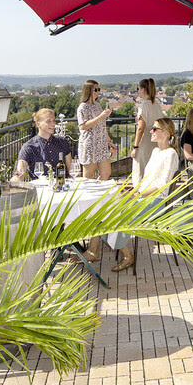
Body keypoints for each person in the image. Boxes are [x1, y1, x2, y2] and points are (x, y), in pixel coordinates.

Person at [112, 117, 181, 272]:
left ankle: (126, 254)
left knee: (116, 213)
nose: (151, 131)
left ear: (165, 133)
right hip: (144, 197)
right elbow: (146, 181)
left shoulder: (171, 154)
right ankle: (122, 250)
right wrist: (132, 192)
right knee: (109, 207)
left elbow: (163, 185)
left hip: (156, 202)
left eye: (154, 129)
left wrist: (138, 194)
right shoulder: (156, 151)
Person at [77, 80, 117, 262]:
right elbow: (83, 126)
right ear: (89, 90)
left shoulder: (98, 105)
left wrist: (109, 141)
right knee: (87, 179)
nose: (98, 91)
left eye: (99, 89)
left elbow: (102, 126)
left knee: (106, 173)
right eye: (96, 89)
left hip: (101, 145)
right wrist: (101, 116)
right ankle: (87, 209)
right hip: (90, 146)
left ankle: (99, 202)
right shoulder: (82, 107)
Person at [12, 108, 73, 181]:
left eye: (54, 120)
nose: (53, 124)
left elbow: (71, 170)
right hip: (40, 189)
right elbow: (19, 174)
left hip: (63, 187)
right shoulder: (29, 147)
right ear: (38, 124)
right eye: (48, 121)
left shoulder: (63, 142)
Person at [129, 78, 165, 183]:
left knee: (140, 172)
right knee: (153, 173)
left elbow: (140, 128)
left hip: (145, 142)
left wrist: (135, 147)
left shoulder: (144, 105)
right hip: (155, 142)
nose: (138, 91)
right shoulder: (157, 105)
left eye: (138, 89)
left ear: (143, 89)